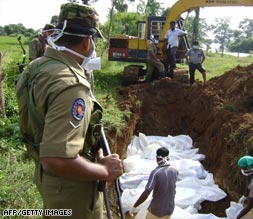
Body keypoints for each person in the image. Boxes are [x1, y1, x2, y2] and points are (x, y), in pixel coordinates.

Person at [15, 3, 123, 219]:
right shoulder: (72, 86)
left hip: (49, 181)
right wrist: (105, 171)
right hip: (72, 190)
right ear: (86, 41)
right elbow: (57, 158)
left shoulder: (37, 67)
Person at [129, 147, 178, 219]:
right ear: (168, 157)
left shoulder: (156, 172)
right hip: (169, 209)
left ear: (157, 158)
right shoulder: (175, 170)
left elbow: (146, 192)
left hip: (156, 211)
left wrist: (134, 207)